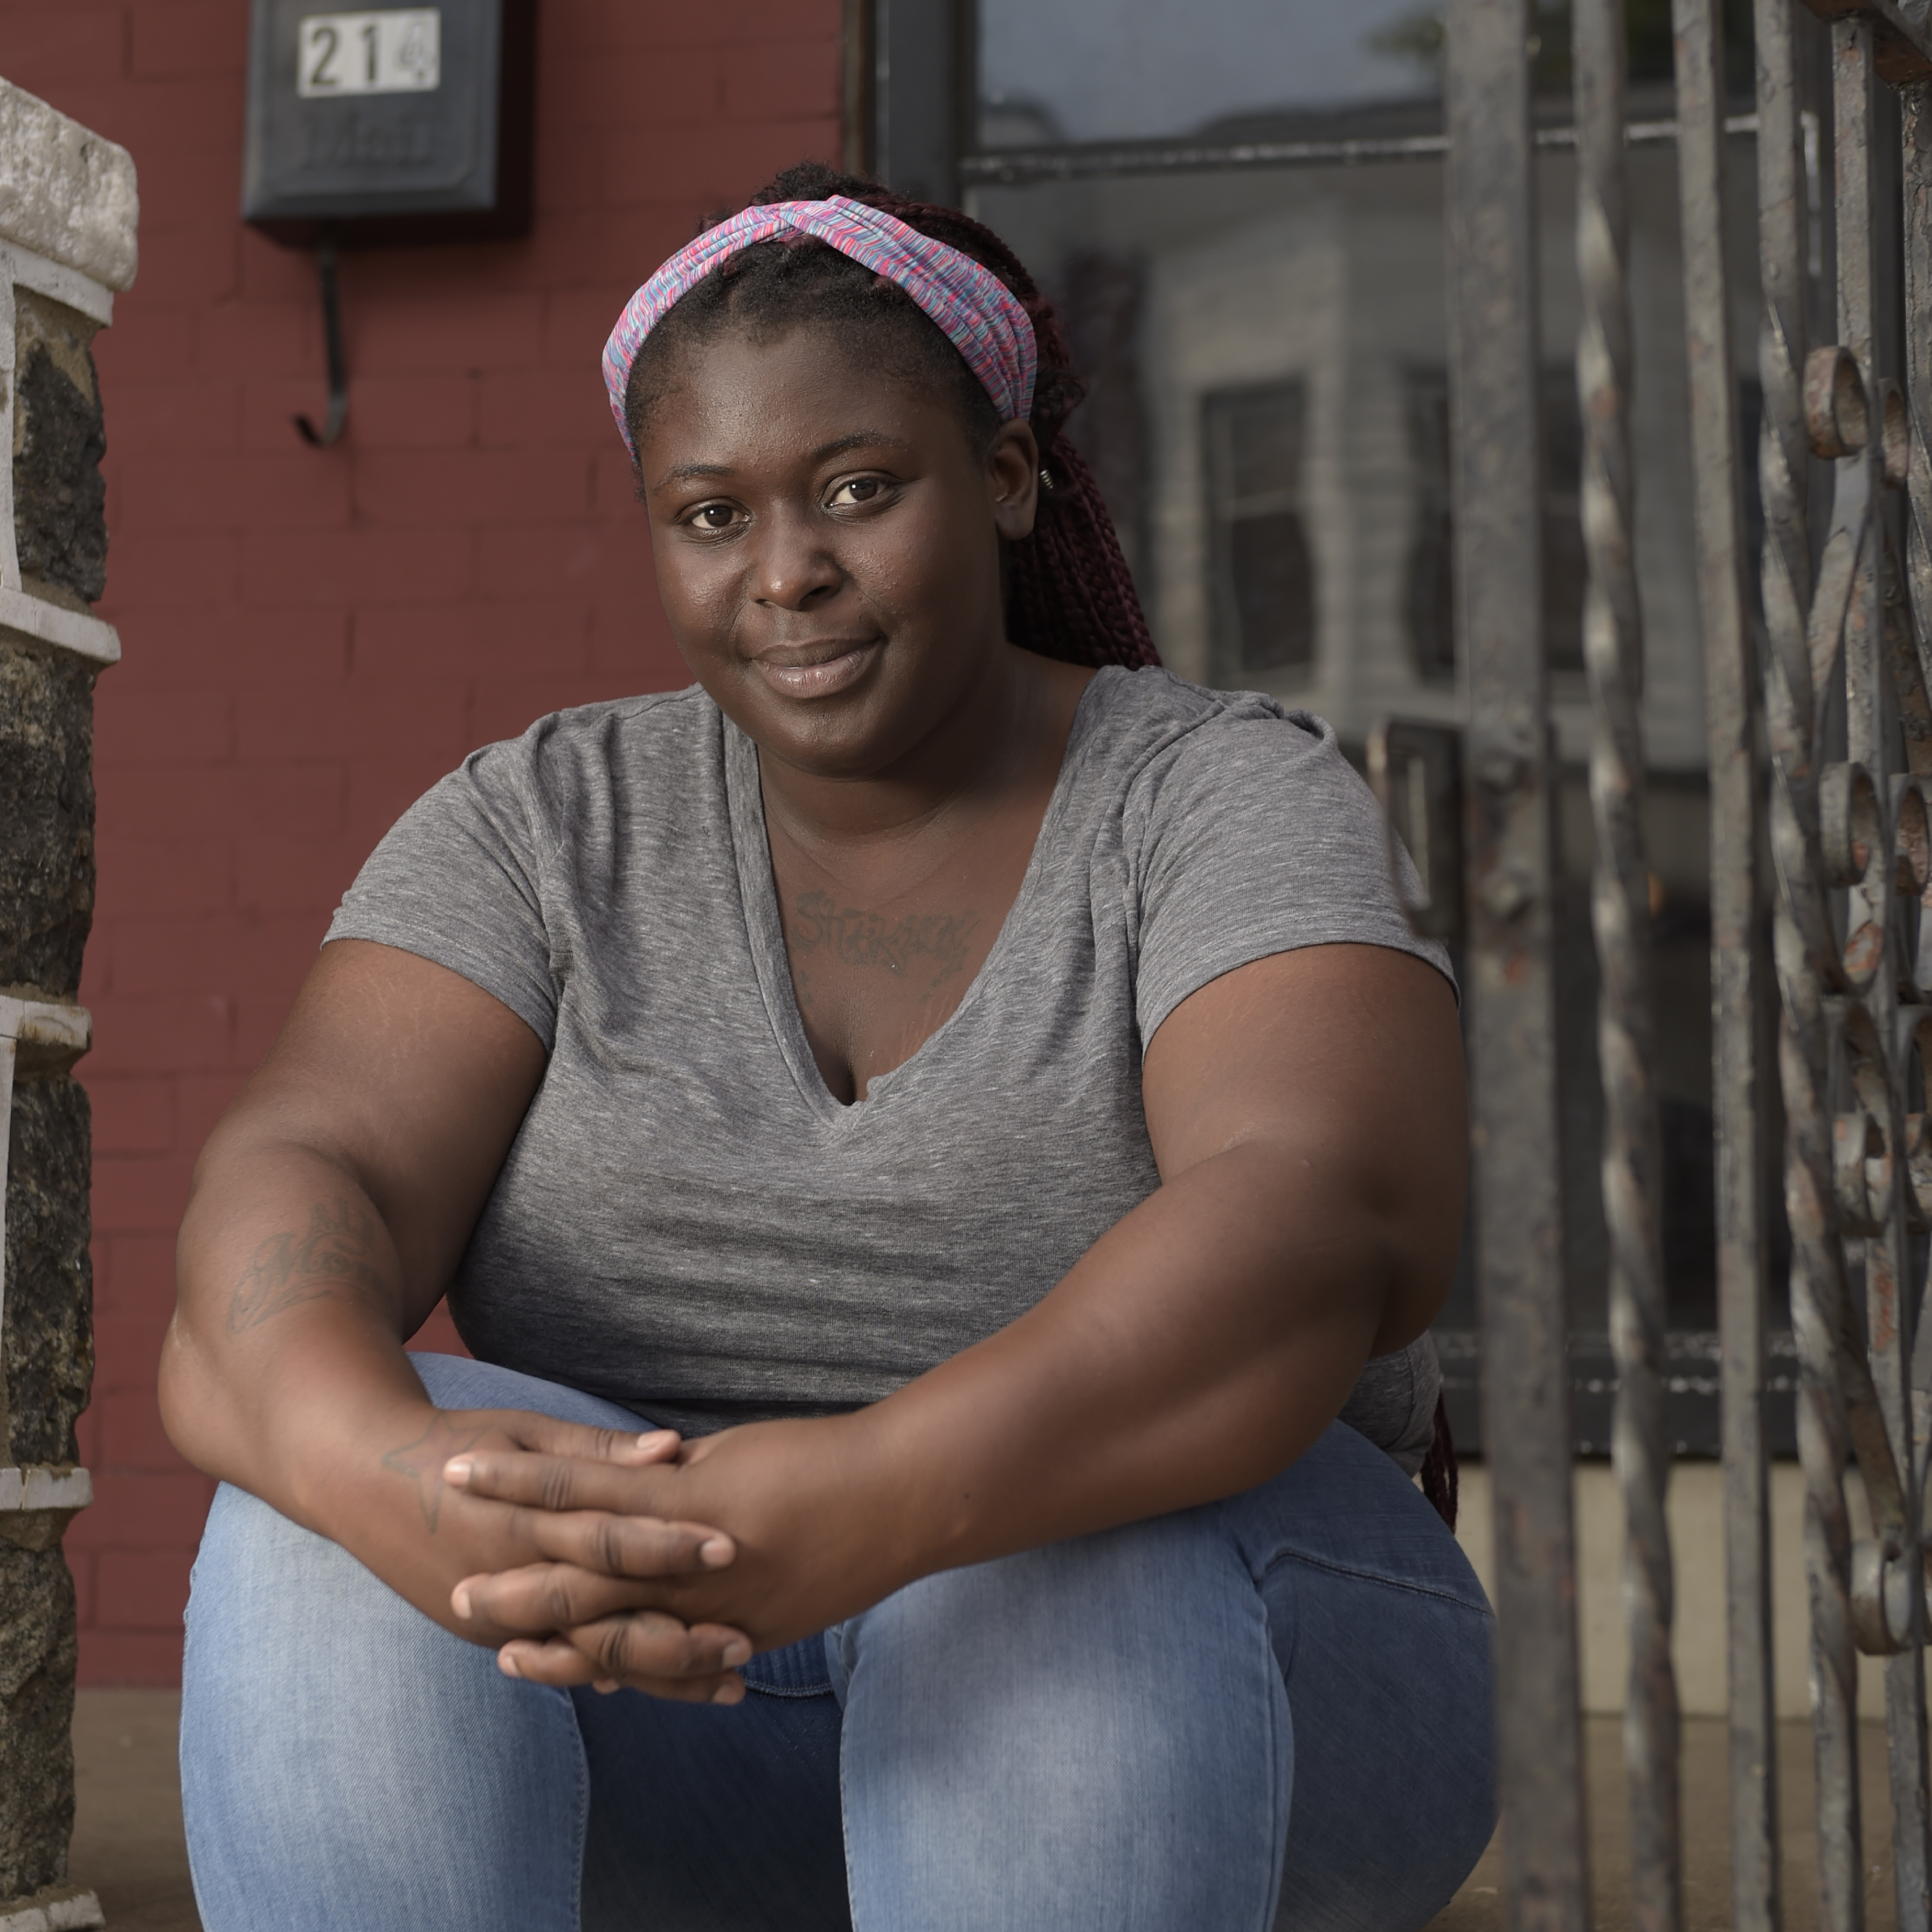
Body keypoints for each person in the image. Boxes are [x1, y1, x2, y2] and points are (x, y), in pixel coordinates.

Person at [163, 163, 1494, 1932]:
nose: (786, 573)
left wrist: (873, 1494)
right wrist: (384, 1477)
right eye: (709, 514)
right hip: (693, 1698)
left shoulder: (1215, 797)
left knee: (1047, 1577)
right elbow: (303, 1179)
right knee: (312, 1529)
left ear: (1006, 478)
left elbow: (1315, 1221)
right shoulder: (543, 822)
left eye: (857, 490)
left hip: (1238, 1671)